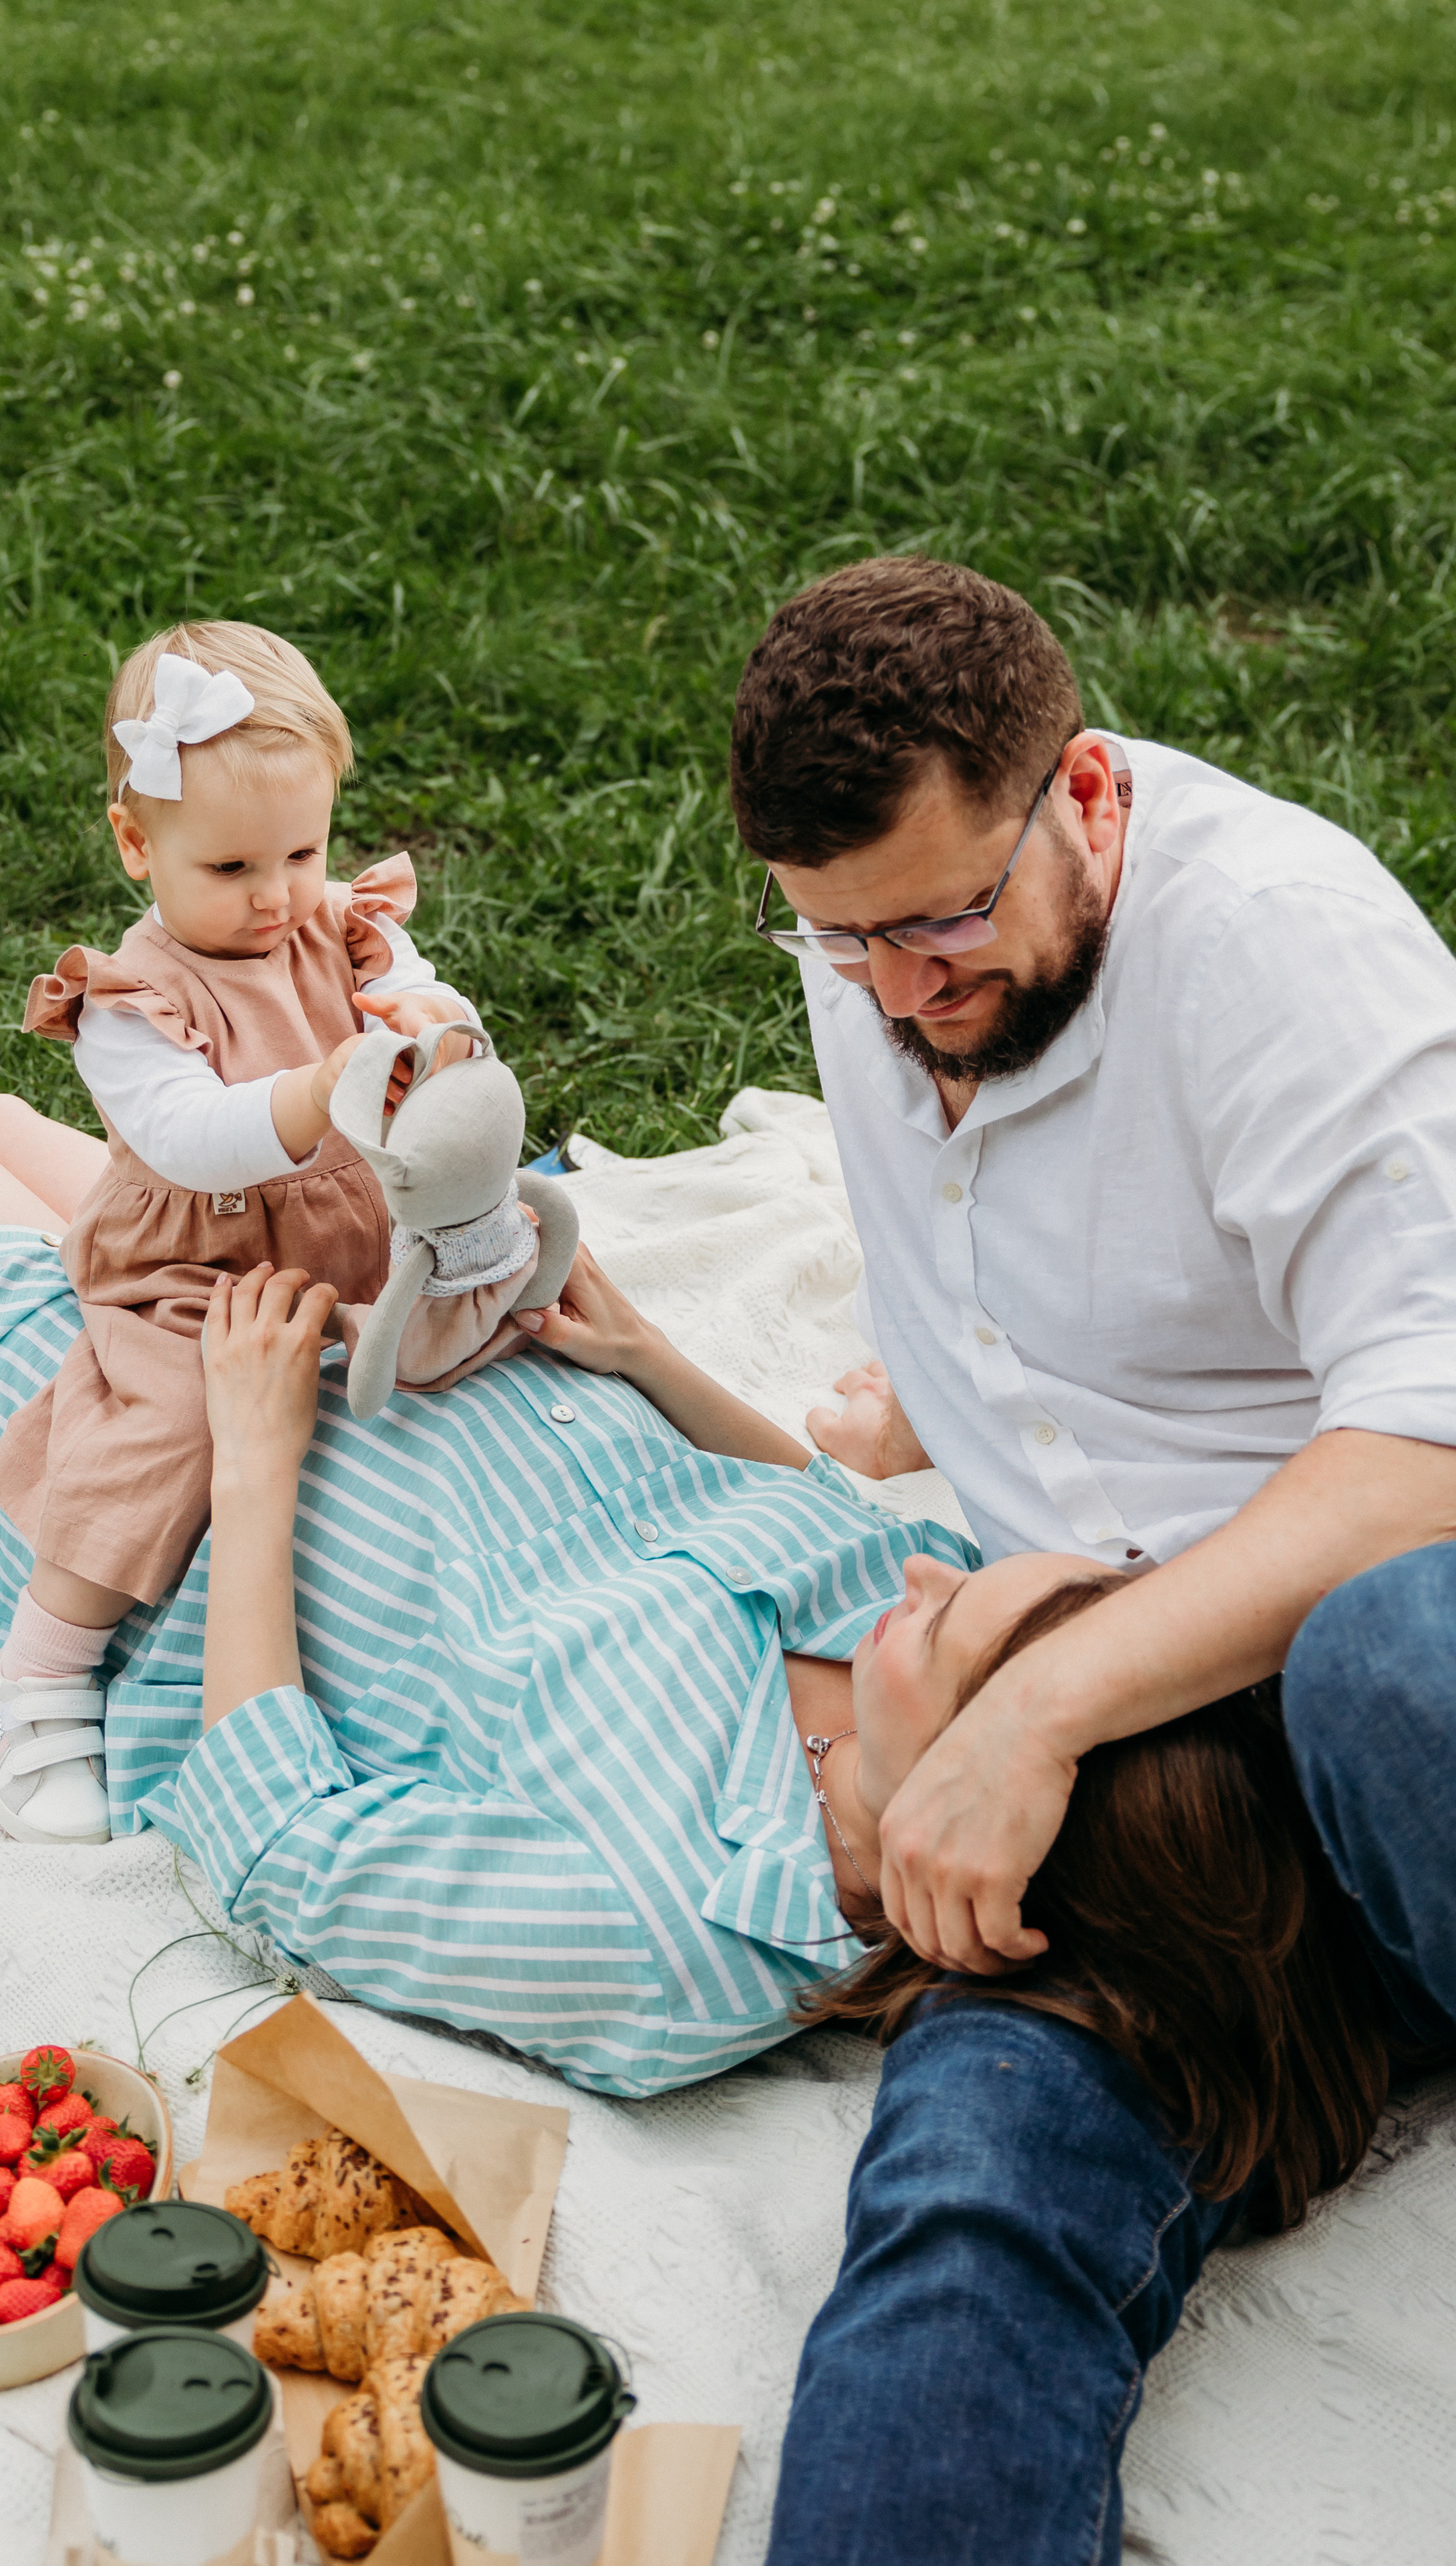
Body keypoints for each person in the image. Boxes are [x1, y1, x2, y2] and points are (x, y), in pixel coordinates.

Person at [730, 553, 1456, 2559]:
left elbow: (1429, 1456)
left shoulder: (1279, 952)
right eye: (837, 938)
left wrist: (1034, 1707)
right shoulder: (890, 939)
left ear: (1083, 790)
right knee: (966, 2198)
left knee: (1393, 1649)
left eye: (943, 920)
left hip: (1386, 1706)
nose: (899, 992)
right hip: (1167, 1814)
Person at [0, 1081, 986, 2093]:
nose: (939, 1576)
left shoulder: (664, 1939)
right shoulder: (970, 1635)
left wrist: (253, 1458)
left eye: (969, 1653)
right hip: (385, 1343)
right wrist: (649, 1360)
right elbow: (833, 1519)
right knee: (3, 1129)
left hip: (169, 1472)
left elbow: (277, 1832)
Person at [0, 619, 488, 1850]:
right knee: (163, 1423)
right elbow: (193, 1138)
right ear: (135, 845)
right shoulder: (130, 1001)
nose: (277, 895)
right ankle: (43, 1666)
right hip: (194, 1263)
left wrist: (435, 1026)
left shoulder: (338, 926)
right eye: (233, 866)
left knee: (500, 1271)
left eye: (303, 851)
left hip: (352, 1235)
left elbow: (423, 992)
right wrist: (315, 1092)